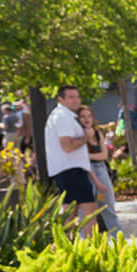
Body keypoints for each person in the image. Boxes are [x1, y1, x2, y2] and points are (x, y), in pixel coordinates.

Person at [43, 85, 102, 236]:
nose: (76, 100)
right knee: (89, 211)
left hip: (68, 170)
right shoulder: (62, 117)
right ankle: (93, 249)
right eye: (71, 97)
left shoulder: (64, 115)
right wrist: (87, 138)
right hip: (71, 170)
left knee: (70, 213)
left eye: (77, 96)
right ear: (60, 99)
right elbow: (67, 146)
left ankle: (66, 248)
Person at [78, 105, 119, 232]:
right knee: (87, 211)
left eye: (89, 116)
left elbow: (104, 155)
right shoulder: (78, 135)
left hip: (101, 170)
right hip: (85, 172)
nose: (87, 119)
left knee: (108, 206)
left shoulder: (97, 133)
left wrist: (86, 156)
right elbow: (80, 157)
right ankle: (85, 242)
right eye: (83, 116)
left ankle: (117, 238)